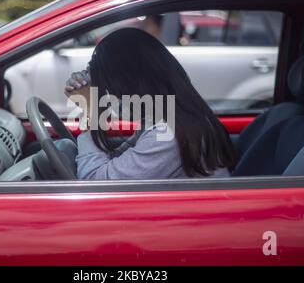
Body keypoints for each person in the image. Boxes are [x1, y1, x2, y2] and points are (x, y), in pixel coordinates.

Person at [64, 28, 236, 180]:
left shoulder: (168, 134)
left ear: (129, 83)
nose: (114, 96)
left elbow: (95, 181)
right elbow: (120, 159)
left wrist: (90, 111)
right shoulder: (168, 119)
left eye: (112, 88)